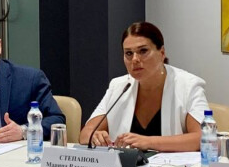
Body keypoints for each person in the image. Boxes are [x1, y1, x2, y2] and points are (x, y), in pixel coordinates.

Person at [80, 22, 209, 151]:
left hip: (171, 164)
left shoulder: (188, 86)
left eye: (143, 51)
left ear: (162, 53)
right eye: (129, 53)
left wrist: (148, 142)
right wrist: (94, 137)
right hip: (125, 164)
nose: (135, 59)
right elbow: (85, 134)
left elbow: (204, 138)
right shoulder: (119, 86)